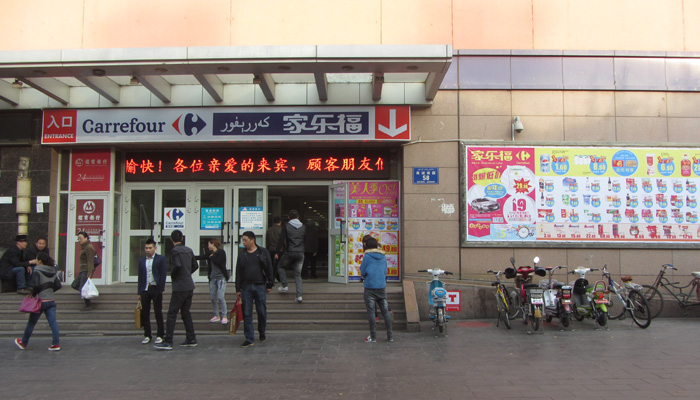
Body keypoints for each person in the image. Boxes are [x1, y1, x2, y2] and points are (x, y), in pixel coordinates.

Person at [154, 230, 198, 350]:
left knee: (172, 313)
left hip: (179, 286)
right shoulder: (189, 250)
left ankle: (168, 340)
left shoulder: (174, 251)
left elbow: (177, 266)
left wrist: (173, 276)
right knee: (185, 312)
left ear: (171, 239)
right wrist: (187, 273)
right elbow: (195, 265)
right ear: (182, 238)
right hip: (189, 285)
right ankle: (191, 338)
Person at [15, 251, 61, 351]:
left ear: (39, 261)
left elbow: (34, 285)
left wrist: (34, 293)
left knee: (31, 323)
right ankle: (56, 344)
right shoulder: (53, 271)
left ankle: (23, 342)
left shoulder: (37, 271)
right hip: (51, 300)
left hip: (40, 301)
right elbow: (58, 285)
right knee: (53, 323)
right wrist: (49, 290)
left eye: (36, 259)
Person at [235, 231, 274, 348]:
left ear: (252, 240)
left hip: (260, 285)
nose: (243, 242)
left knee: (261, 311)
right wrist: (238, 288)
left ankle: (262, 331)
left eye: (245, 240)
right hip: (246, 286)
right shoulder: (242, 254)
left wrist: (270, 284)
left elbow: (269, 268)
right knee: (247, 312)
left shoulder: (262, 252)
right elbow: (238, 271)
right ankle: (249, 338)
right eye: (243, 240)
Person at [359, 237, 393, 343]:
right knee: (385, 312)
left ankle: (373, 337)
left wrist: (364, 276)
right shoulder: (383, 257)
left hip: (370, 287)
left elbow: (362, 271)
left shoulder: (367, 257)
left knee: (371, 312)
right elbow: (385, 271)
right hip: (381, 287)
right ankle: (390, 336)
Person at [137, 238, 166, 345]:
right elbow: (140, 277)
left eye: (150, 248)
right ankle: (147, 335)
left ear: (155, 248)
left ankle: (160, 334)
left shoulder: (160, 259)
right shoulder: (141, 261)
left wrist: (161, 289)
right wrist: (139, 292)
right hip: (145, 289)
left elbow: (163, 274)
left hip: (156, 287)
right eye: (146, 248)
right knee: (145, 312)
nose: (148, 250)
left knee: (158, 312)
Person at [275, 210, 305, 303]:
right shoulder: (303, 227)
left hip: (290, 251)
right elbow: (305, 239)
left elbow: (281, 240)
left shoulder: (286, 226)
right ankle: (299, 296)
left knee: (280, 266)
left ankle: (284, 285)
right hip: (300, 252)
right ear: (298, 217)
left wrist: (277, 252)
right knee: (298, 275)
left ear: (289, 217)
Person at [207, 238, 229, 325]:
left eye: (209, 244)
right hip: (213, 278)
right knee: (213, 297)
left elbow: (219, 262)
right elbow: (202, 257)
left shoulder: (221, 252)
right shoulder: (210, 254)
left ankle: (224, 316)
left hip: (221, 278)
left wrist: (212, 257)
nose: (208, 246)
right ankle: (216, 315)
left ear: (213, 244)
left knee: (220, 297)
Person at [77, 231, 96, 311]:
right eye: (78, 238)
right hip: (82, 270)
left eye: (81, 238)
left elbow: (90, 260)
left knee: (83, 288)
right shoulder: (84, 247)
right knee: (75, 284)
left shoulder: (88, 247)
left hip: (86, 270)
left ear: (86, 238)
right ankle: (87, 296)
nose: (79, 240)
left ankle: (88, 304)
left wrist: (89, 272)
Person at [266, 216, 284, 283]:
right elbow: (283, 240)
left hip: (271, 249)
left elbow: (267, 240)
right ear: (280, 222)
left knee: (271, 264)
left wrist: (268, 247)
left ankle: (272, 277)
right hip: (279, 250)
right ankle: (277, 278)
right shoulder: (281, 230)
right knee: (278, 265)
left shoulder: (269, 230)